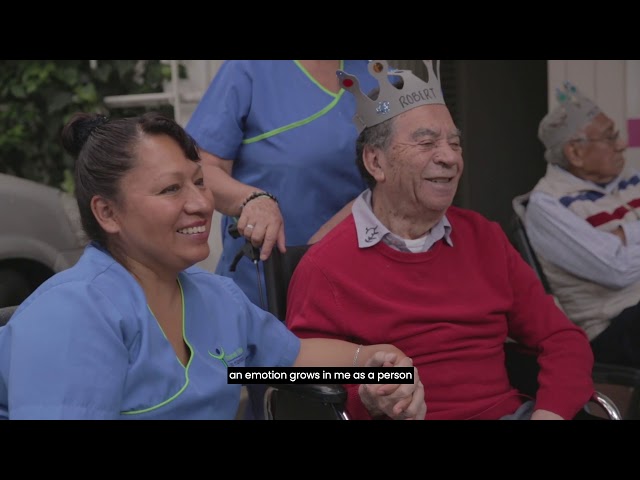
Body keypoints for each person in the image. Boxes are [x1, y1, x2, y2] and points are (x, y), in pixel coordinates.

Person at [0, 112, 425, 420]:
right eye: (171, 189)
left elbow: (293, 360)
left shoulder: (214, 297)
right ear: (107, 213)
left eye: (200, 182)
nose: (201, 204)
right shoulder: (71, 315)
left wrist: (372, 362)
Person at [286, 60, 595, 420]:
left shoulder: (484, 238)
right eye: (427, 142)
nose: (449, 157)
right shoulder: (326, 266)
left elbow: (562, 339)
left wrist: (550, 413)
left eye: (455, 143)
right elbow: (302, 381)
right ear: (376, 162)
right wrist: (368, 398)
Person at [185, 60, 378, 308]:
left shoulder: (379, 77)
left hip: (353, 277)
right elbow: (201, 169)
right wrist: (253, 200)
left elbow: (396, 183)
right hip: (262, 285)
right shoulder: (248, 69)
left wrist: (326, 239)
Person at [515, 81, 640, 369]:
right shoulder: (547, 205)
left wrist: (623, 237)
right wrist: (625, 240)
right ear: (575, 153)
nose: (622, 144)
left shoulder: (629, 178)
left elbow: (621, 260)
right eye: (610, 137)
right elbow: (616, 270)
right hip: (611, 326)